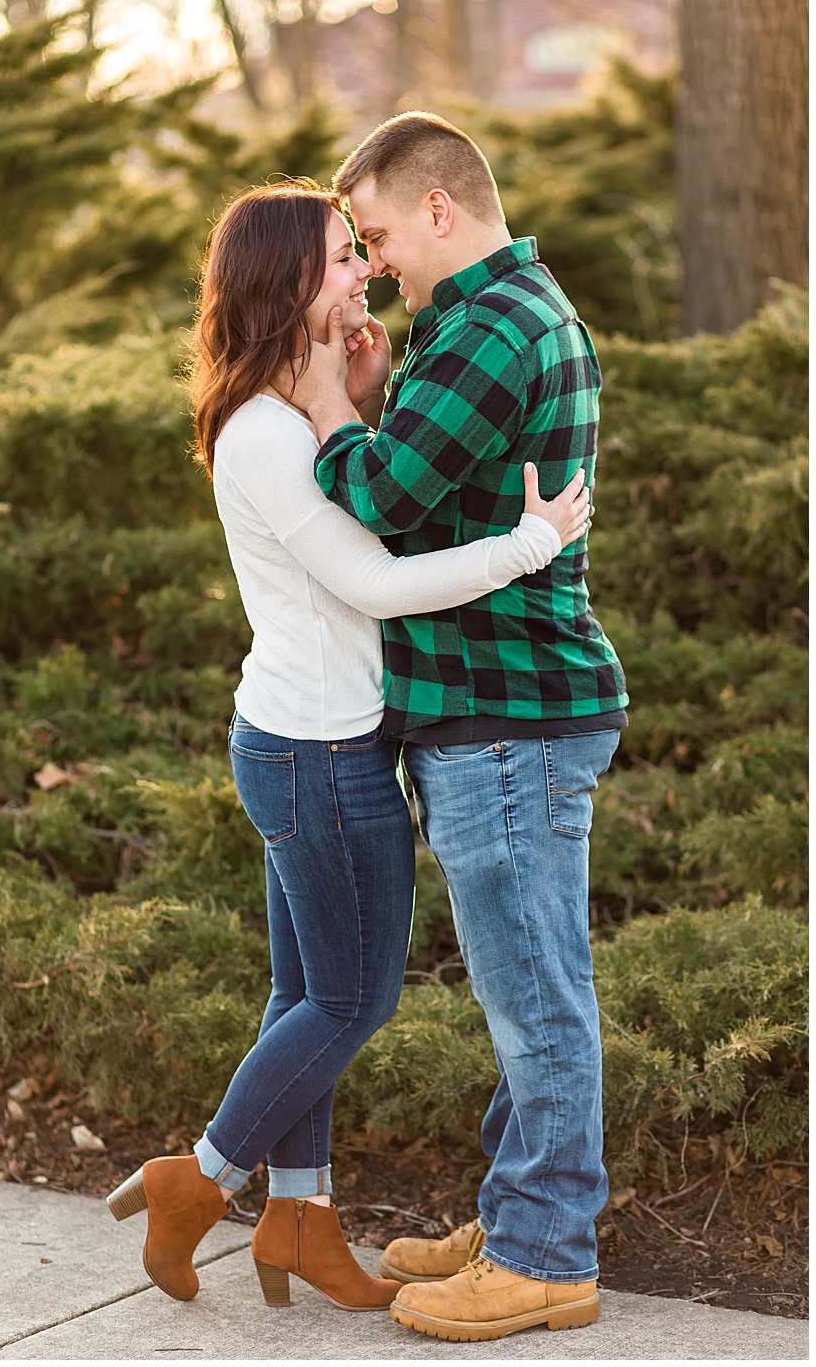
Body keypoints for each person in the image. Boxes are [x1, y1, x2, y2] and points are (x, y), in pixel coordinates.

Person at [107, 180, 591, 1319]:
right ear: (283, 284)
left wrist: (355, 403)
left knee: (301, 992)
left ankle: (301, 1213)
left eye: (358, 250)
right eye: (339, 258)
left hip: (309, 738)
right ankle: (203, 1176)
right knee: (349, 1000)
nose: (361, 275)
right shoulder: (267, 432)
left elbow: (364, 507)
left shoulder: (286, 415)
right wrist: (527, 542)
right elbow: (372, 578)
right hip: (314, 751)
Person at [302, 111, 628, 1343]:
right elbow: (441, 480)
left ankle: (545, 1252)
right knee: (523, 989)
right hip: (499, 713)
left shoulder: (494, 326)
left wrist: (330, 399)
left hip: (508, 714)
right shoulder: (497, 316)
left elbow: (381, 496)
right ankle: (516, 1212)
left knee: (535, 996)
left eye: (376, 232)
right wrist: (387, 392)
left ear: (436, 206)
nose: (373, 262)